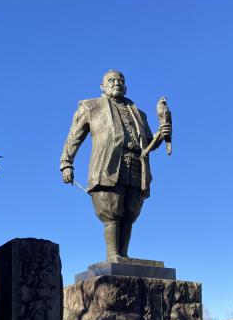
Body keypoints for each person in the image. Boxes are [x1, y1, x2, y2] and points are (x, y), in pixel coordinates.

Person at [60, 70, 171, 260]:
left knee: (131, 211)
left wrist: (161, 133)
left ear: (126, 87)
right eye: (111, 80)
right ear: (102, 86)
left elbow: (149, 143)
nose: (117, 83)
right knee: (110, 210)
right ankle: (112, 254)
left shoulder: (139, 114)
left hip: (137, 163)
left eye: (120, 81)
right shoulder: (91, 107)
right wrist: (66, 163)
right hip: (108, 164)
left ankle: (123, 256)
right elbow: (74, 137)